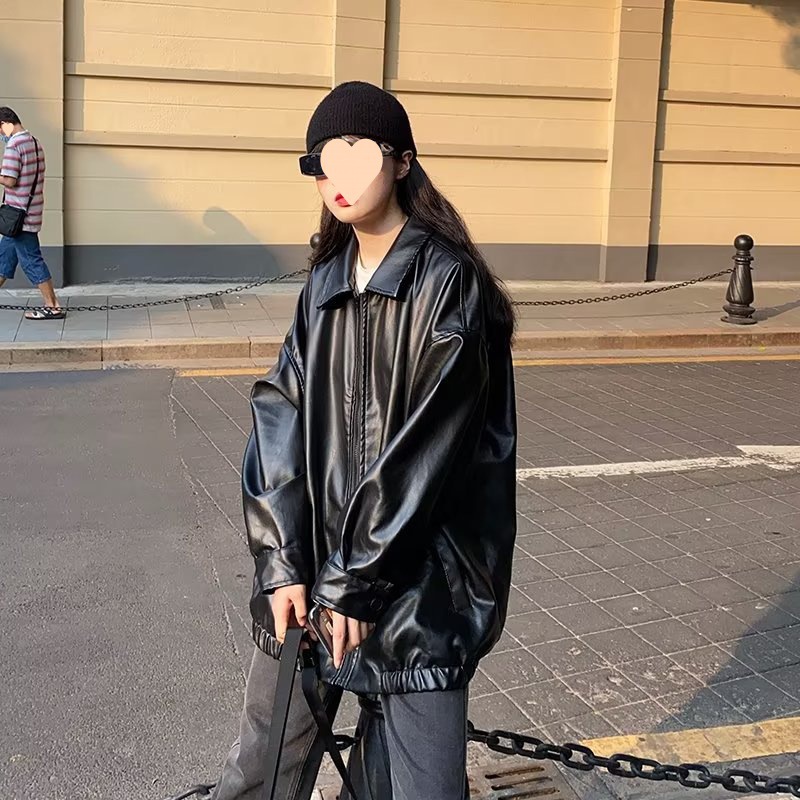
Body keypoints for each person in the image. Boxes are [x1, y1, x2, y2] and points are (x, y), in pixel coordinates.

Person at [209, 81, 518, 800]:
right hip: (313, 581)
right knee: (259, 772)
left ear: (402, 161)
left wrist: (355, 582)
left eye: (355, 155)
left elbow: (426, 454)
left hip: (420, 593)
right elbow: (278, 415)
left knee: (419, 787)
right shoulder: (323, 282)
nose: (335, 179)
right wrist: (281, 563)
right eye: (322, 163)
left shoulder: (449, 284)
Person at [0, 107, 65, 319]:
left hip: (18, 217)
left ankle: (52, 306)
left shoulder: (13, 146)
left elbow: (10, 180)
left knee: (31, 260)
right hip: (30, 210)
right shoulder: (34, 143)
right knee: (3, 259)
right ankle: (52, 305)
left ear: (5, 124)